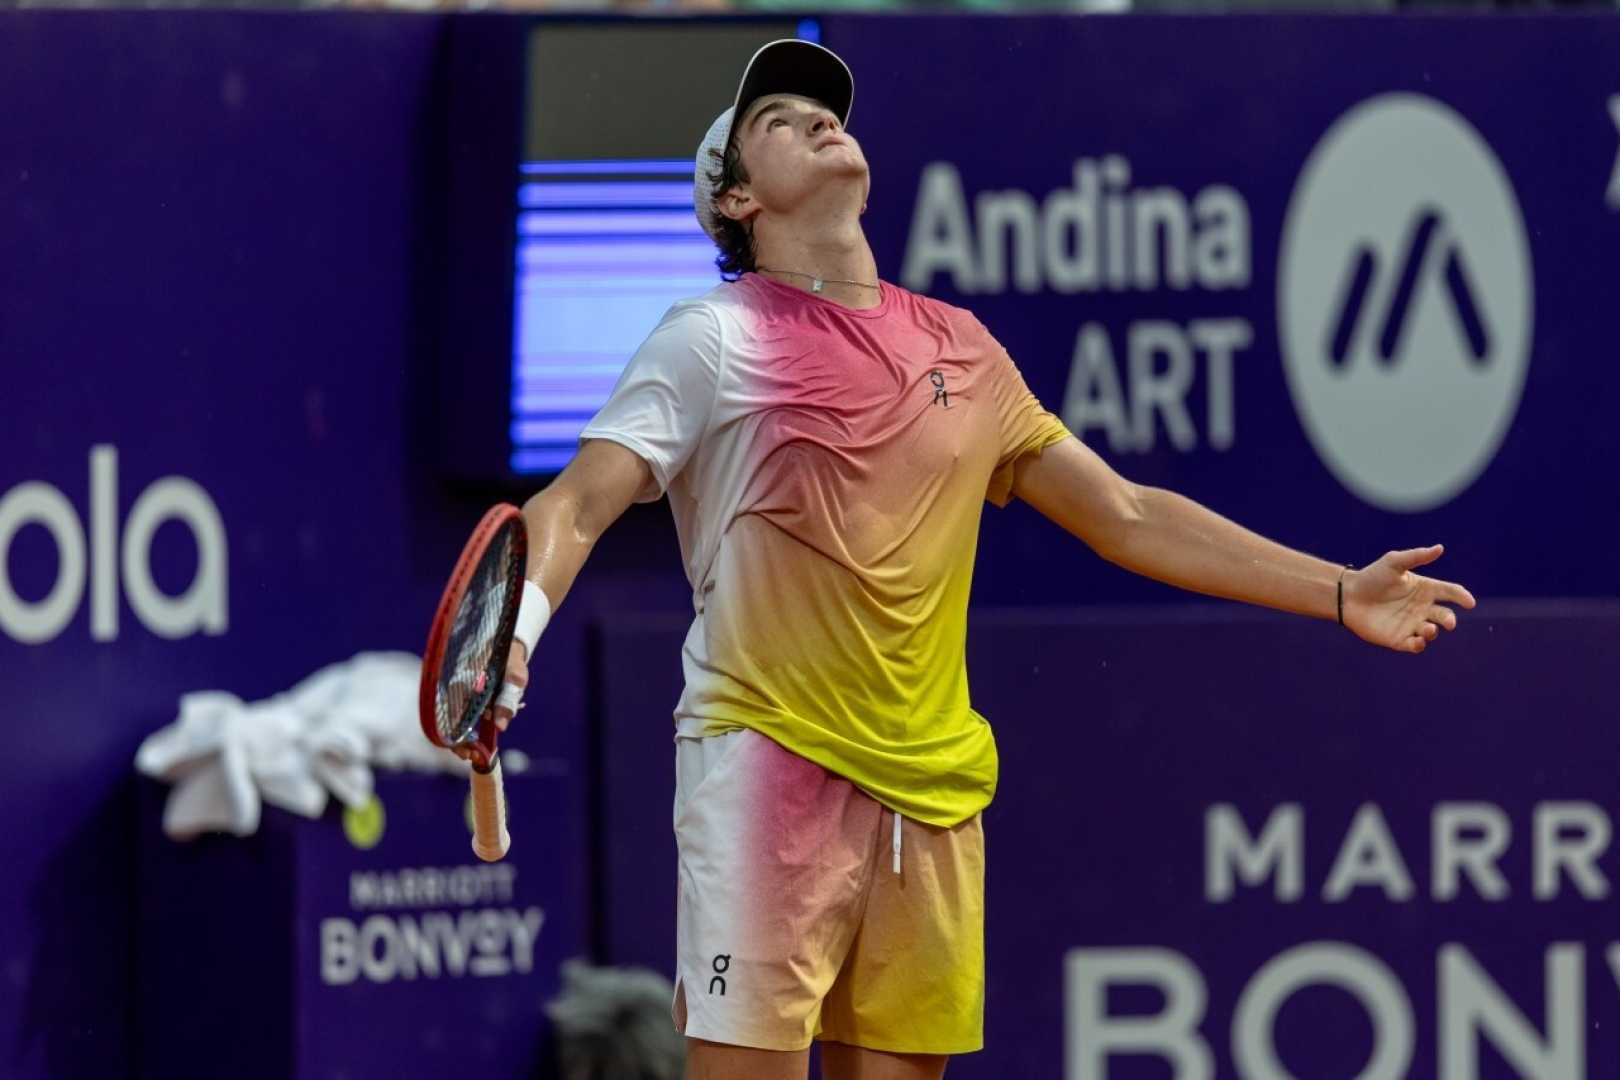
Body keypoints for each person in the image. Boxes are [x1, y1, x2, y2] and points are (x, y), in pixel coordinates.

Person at [493, 39, 1477, 1080]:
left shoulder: (960, 345)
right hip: (768, 768)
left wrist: (1335, 590)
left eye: (824, 110)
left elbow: (1127, 513)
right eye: (777, 119)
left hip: (935, 798)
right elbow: (578, 503)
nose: (820, 120)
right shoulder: (709, 339)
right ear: (736, 199)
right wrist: (513, 636)